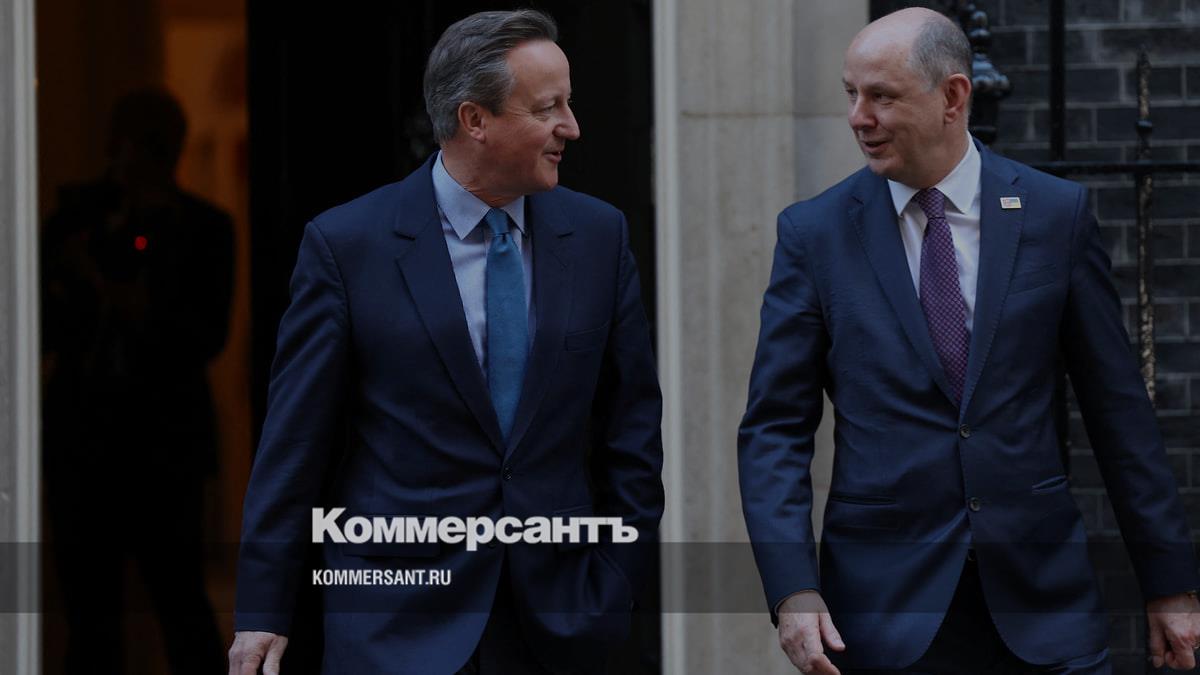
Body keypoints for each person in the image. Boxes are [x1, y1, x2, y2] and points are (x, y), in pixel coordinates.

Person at [737, 8, 1200, 674]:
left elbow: (1118, 410)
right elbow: (775, 429)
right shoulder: (815, 234)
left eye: (881, 96)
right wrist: (792, 588)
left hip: (1045, 605)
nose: (858, 117)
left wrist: (1169, 581)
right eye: (851, 94)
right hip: (884, 612)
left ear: (953, 97)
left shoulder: (1054, 215)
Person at [227, 10, 663, 675]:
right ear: (474, 119)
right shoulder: (348, 245)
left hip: (561, 621)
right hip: (395, 623)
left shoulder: (600, 236)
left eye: (568, 103)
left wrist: (617, 579)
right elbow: (294, 446)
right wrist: (263, 608)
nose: (572, 126)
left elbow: (631, 430)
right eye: (547, 108)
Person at [41, 88, 232, 674]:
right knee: (90, 615)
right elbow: (40, 324)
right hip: (84, 440)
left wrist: (137, 304)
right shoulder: (75, 220)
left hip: (164, 444)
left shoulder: (204, 229)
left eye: (152, 144)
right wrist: (86, 281)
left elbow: (207, 335)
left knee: (180, 602)